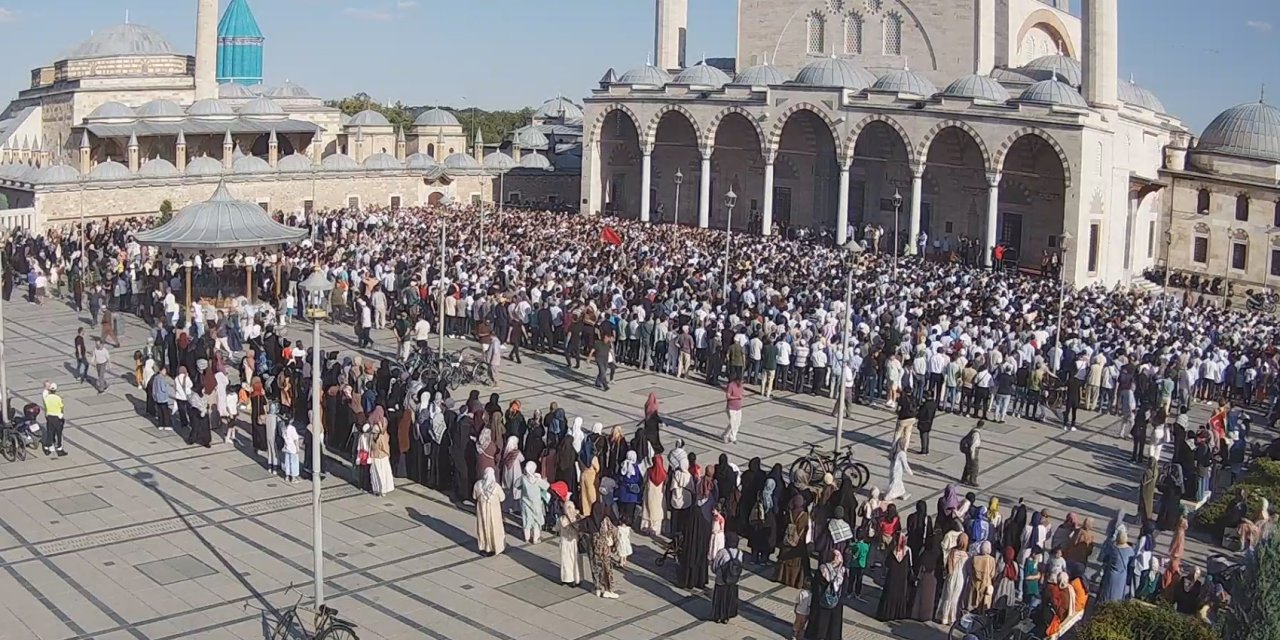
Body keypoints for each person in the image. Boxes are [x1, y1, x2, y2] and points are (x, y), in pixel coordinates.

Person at [678, 474, 715, 590]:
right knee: (701, 556)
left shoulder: (694, 507)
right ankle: (700, 580)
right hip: (703, 535)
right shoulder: (710, 502)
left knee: (691, 557)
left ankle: (689, 581)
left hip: (692, 539)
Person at [805, 549, 845, 640]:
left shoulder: (823, 569)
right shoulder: (842, 571)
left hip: (822, 599)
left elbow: (816, 585)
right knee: (834, 621)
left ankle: (818, 635)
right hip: (836, 601)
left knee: (821, 619)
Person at [875, 532, 914, 621]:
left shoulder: (892, 550)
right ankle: (899, 614)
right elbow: (910, 564)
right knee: (900, 594)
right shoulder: (907, 550)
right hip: (902, 577)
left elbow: (887, 563)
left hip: (892, 576)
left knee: (890, 593)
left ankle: (887, 614)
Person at [553, 482, 585, 587]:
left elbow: (556, 528)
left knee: (566, 561)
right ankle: (577, 578)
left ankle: (567, 578)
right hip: (575, 542)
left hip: (565, 542)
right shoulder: (577, 517)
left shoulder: (562, 519)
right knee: (576, 561)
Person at [776, 494, 811, 589]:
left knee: (784, 559)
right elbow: (807, 529)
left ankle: (782, 577)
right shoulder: (804, 516)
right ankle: (795, 581)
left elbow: (783, 525)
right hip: (799, 542)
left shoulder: (789, 513)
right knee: (797, 561)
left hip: (787, 540)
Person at [710, 532, 744, 624]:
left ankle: (718, 616)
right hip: (733, 581)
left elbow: (715, 566)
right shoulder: (739, 553)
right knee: (730, 598)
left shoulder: (722, 552)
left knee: (720, 598)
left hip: (721, 580)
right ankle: (727, 616)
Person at [937, 532, 970, 625]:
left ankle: (944, 617)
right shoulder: (967, 556)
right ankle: (952, 618)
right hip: (961, 578)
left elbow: (948, 566)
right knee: (955, 598)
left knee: (947, 596)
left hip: (952, 576)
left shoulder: (952, 552)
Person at [473, 467, 507, 555]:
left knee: (483, 528)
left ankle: (484, 547)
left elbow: (474, 496)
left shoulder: (478, 485)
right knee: (495, 529)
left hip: (482, 512)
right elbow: (502, 498)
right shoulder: (496, 487)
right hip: (494, 513)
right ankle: (496, 547)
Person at [1097, 528, 1134, 603]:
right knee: (1118, 594)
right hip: (1122, 575)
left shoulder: (1113, 548)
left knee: (1108, 592)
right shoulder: (1130, 551)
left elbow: (1105, 558)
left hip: (1111, 574)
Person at [911, 533, 942, 621]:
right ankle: (926, 616)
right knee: (929, 599)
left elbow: (918, 562)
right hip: (932, 577)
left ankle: (915, 614)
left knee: (919, 596)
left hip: (923, 575)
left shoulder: (925, 552)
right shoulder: (938, 553)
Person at [518, 461, 550, 544]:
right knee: (536, 520)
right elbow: (547, 486)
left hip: (525, 503)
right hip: (536, 503)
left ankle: (527, 537)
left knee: (526, 519)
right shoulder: (537, 480)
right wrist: (540, 478)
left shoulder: (523, 478)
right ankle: (536, 538)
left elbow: (516, 485)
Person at [641, 454, 667, 535]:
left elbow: (644, 481)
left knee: (647, 509)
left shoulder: (649, 471)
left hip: (649, 494)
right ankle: (655, 528)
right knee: (657, 511)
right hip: (659, 495)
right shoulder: (664, 473)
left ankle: (646, 526)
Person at [968, 540, 997, 612]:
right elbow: (992, 574)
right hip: (986, 583)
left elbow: (971, 571)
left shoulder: (975, 558)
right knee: (984, 604)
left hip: (976, 583)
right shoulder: (992, 560)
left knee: (974, 601)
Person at [42, 383, 66, 457]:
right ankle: (59, 449)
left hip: (49, 417)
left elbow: (45, 404)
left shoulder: (47, 398)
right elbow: (62, 407)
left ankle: (46, 448)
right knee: (59, 433)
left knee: (50, 432)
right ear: (55, 390)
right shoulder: (58, 398)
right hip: (57, 418)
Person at [723, 373, 744, 444]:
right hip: (731, 407)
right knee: (732, 423)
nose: (742, 383)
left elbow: (741, 393)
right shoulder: (731, 385)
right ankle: (726, 435)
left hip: (738, 407)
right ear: (737, 380)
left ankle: (733, 436)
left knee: (737, 423)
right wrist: (737, 397)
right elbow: (728, 396)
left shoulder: (741, 386)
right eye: (741, 381)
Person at [960, 422, 982, 486]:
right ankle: (972, 481)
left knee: (968, 465)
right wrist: (973, 455)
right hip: (973, 451)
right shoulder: (976, 434)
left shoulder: (972, 431)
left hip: (968, 450)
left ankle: (964, 478)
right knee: (974, 467)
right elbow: (973, 445)